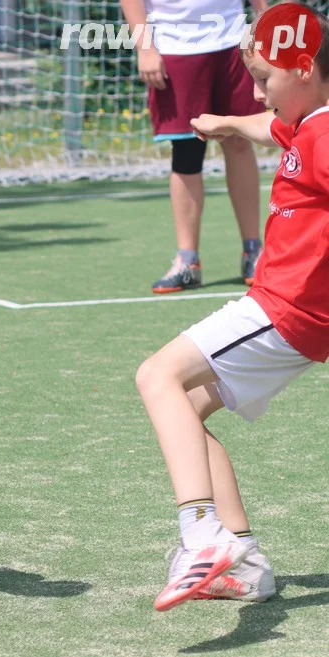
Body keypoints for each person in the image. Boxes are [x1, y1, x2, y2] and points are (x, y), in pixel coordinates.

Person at [135, 2, 329, 612]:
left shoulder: (323, 132)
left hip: (285, 309)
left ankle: (201, 536)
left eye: (266, 81)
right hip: (284, 308)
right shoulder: (302, 123)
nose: (258, 93)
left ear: (303, 69)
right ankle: (244, 563)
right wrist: (225, 121)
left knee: (156, 375)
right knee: (185, 411)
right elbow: (264, 128)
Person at [120, 0, 268, 293]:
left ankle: (255, 253)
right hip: (175, 46)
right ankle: (188, 262)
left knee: (240, 141)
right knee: (187, 150)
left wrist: (262, 15)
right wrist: (145, 48)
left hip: (233, 40)